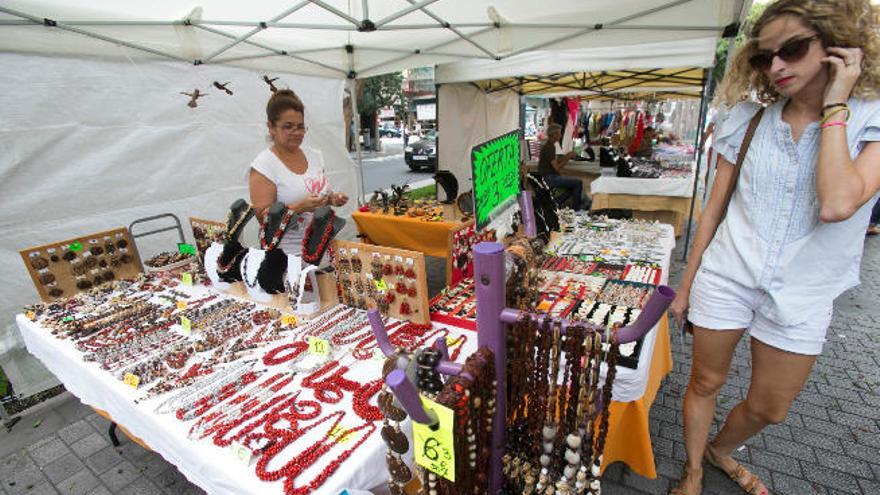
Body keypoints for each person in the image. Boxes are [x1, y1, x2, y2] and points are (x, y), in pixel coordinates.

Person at [668, 1, 880, 494]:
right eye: (766, 57)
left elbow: (837, 203)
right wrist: (686, 285)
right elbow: (713, 211)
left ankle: (721, 448)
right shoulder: (746, 120)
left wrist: (836, 107)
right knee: (704, 383)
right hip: (728, 274)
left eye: (794, 49)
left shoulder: (869, 122)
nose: (778, 66)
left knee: (771, 407)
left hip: (804, 291)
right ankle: (695, 469)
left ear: (839, 45)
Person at [248, 89, 349, 255]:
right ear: (271, 127)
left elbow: (316, 194)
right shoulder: (264, 166)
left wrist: (331, 199)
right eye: (288, 127)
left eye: (300, 127)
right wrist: (298, 208)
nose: (296, 132)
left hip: (320, 246)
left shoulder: (314, 156)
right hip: (285, 255)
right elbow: (264, 219)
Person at [537, 123, 586, 210]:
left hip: (547, 176)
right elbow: (557, 168)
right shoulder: (549, 147)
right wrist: (567, 158)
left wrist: (567, 156)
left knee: (572, 187)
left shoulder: (550, 146)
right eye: (559, 133)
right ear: (554, 135)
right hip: (548, 177)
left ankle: (554, 203)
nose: (560, 135)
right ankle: (576, 210)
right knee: (578, 183)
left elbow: (555, 161)